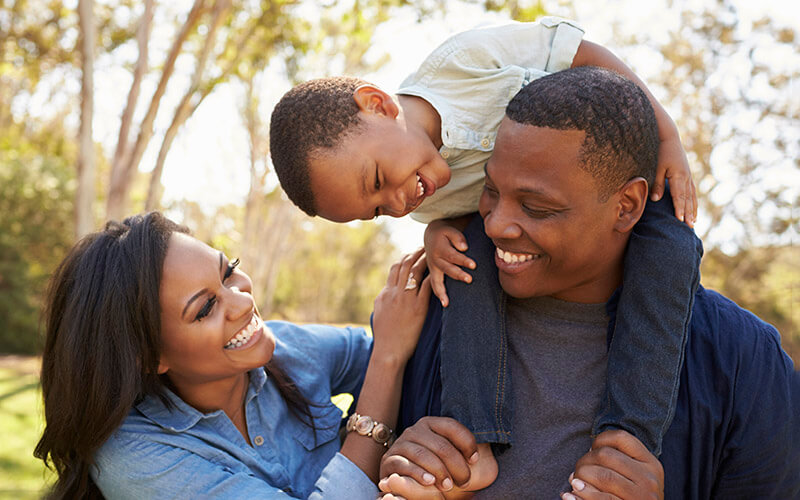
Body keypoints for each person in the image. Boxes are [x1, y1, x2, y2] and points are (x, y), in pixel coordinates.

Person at [269, 17, 702, 471]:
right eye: (376, 210)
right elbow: (460, 215)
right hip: (521, 231)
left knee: (673, 245)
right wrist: (435, 232)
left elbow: (582, 54)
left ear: (377, 104)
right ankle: (473, 441)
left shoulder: (462, 64)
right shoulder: (420, 199)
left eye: (377, 179)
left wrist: (665, 133)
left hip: (611, 179)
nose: (396, 203)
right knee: (463, 267)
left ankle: (628, 439)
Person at [377, 67, 800, 499]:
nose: (497, 225)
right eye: (490, 191)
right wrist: (397, 475)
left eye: (537, 208)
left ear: (627, 206)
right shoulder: (427, 316)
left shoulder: (743, 362)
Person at [34, 212, 433, 499]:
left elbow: (418, 361)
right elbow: (389, 358)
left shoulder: (289, 348)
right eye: (205, 308)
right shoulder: (135, 458)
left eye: (228, 273)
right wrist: (386, 368)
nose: (242, 302)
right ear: (149, 357)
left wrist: (445, 229)